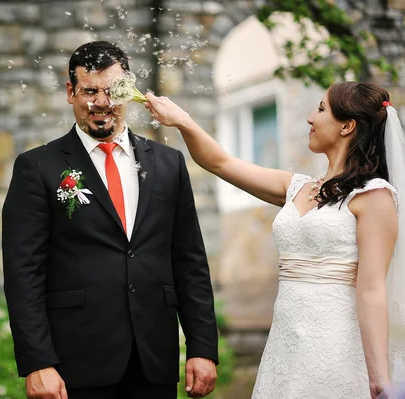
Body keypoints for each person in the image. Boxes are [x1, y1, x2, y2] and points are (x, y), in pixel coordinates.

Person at [145, 81, 405, 398]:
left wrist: (378, 375)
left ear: (347, 126)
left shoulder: (374, 196)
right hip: (285, 344)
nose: (311, 118)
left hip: (336, 345)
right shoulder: (296, 187)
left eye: (321, 109)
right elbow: (219, 162)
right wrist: (182, 119)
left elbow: (371, 287)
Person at [2, 41, 219, 399]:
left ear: (128, 91)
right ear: (71, 92)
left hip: (154, 361)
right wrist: (37, 361)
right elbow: (23, 272)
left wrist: (202, 347)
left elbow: (190, 261)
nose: (102, 103)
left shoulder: (168, 163)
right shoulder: (37, 167)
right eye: (90, 91)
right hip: (75, 363)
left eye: (113, 91)